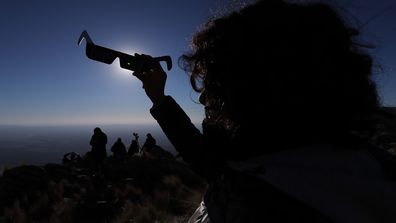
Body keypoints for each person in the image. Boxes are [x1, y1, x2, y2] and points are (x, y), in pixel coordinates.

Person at [132, 0, 396, 222]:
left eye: (216, 82)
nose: (204, 98)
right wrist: (159, 97)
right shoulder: (336, 161)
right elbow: (211, 163)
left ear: (259, 83)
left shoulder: (262, 201)